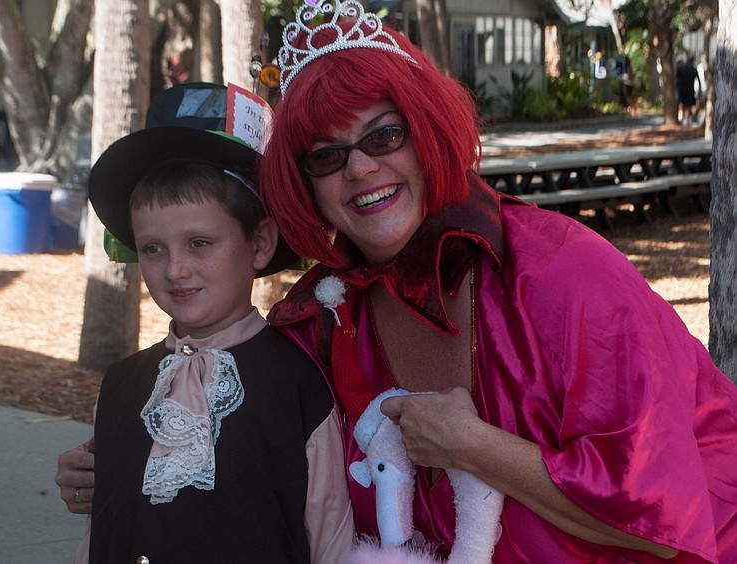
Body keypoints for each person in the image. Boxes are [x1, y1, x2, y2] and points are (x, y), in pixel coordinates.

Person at [256, 1, 737, 562]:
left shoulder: (564, 273)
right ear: (305, 184)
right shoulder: (320, 321)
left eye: (384, 135)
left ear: (427, 131)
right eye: (326, 156)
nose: (359, 168)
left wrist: (472, 446)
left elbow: (657, 515)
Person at [67, 92, 354, 562]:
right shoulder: (120, 385)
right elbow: (103, 530)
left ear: (259, 243)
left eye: (199, 242)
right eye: (153, 248)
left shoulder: (299, 386)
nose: (176, 269)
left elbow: (331, 535)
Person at [676, 53, 700, 125]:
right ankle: (685, 119)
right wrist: (700, 91)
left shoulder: (681, 68)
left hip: (681, 89)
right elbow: (698, 80)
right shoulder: (693, 69)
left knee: (683, 104)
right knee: (688, 105)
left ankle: (684, 119)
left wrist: (676, 88)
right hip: (690, 90)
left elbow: (676, 79)